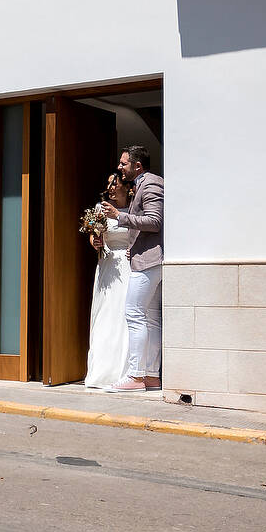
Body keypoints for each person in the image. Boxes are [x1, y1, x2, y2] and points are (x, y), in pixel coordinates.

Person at [102, 146, 163, 392]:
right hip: (147, 258)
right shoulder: (143, 183)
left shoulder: (150, 184)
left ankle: (136, 376)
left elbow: (155, 221)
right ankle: (151, 376)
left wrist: (119, 215)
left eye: (123, 163)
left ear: (137, 166)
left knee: (134, 314)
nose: (119, 167)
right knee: (150, 318)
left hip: (149, 261)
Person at [84, 174, 133, 390]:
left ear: (126, 187)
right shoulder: (100, 208)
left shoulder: (134, 208)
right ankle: (101, 372)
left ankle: (126, 372)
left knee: (125, 315)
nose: (110, 188)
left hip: (129, 264)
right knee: (105, 314)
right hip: (107, 265)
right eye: (108, 184)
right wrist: (94, 241)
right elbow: (94, 234)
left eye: (115, 184)